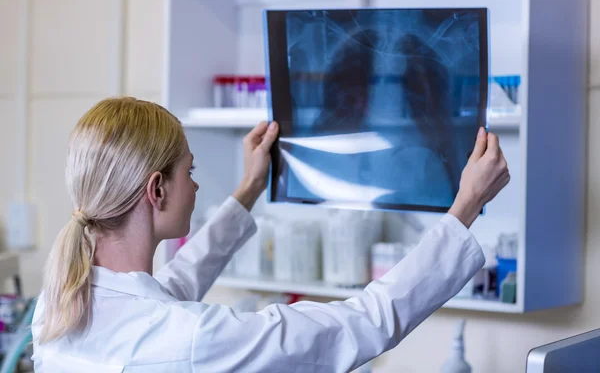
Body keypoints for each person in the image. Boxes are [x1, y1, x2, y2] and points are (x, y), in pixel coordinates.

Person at [31, 97, 509, 372]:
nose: (195, 186)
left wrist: (250, 187)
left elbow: (168, 293)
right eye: (188, 171)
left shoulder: (58, 306)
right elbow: (365, 323)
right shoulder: (191, 339)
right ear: (157, 189)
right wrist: (464, 207)